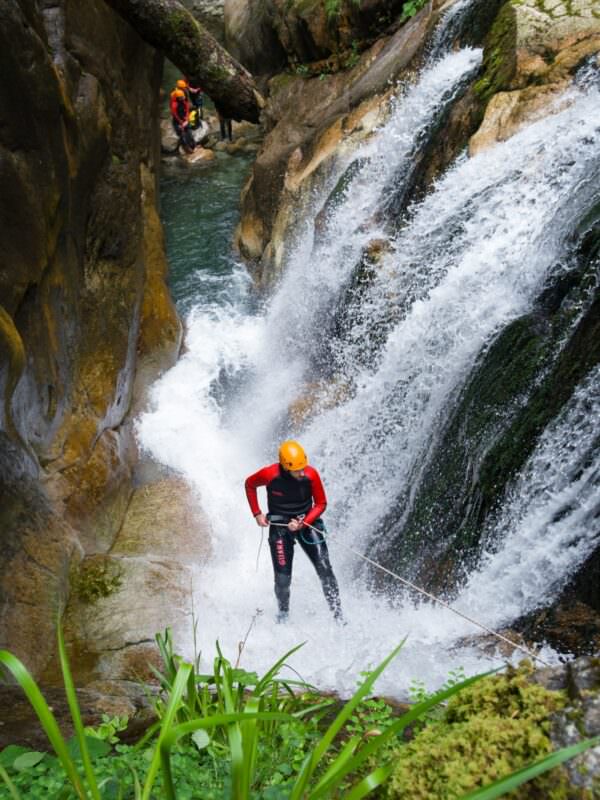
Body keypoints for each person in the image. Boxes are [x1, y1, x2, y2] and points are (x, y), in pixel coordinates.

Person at [245, 440, 343, 624]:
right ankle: (283, 615)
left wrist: (303, 523)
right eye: (297, 470)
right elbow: (250, 485)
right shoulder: (269, 474)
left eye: (302, 468)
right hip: (280, 528)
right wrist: (257, 513)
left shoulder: (311, 474)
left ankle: (338, 615)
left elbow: (321, 503)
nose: (301, 472)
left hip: (307, 523)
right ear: (285, 466)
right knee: (282, 579)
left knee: (325, 569)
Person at [169, 85, 195, 153]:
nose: (183, 98)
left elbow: (187, 110)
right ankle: (186, 147)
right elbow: (175, 115)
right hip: (177, 121)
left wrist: (186, 120)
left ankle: (192, 144)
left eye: (183, 97)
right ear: (177, 98)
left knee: (189, 131)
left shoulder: (184, 101)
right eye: (181, 97)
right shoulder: (174, 105)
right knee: (182, 133)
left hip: (184, 119)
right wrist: (181, 123)